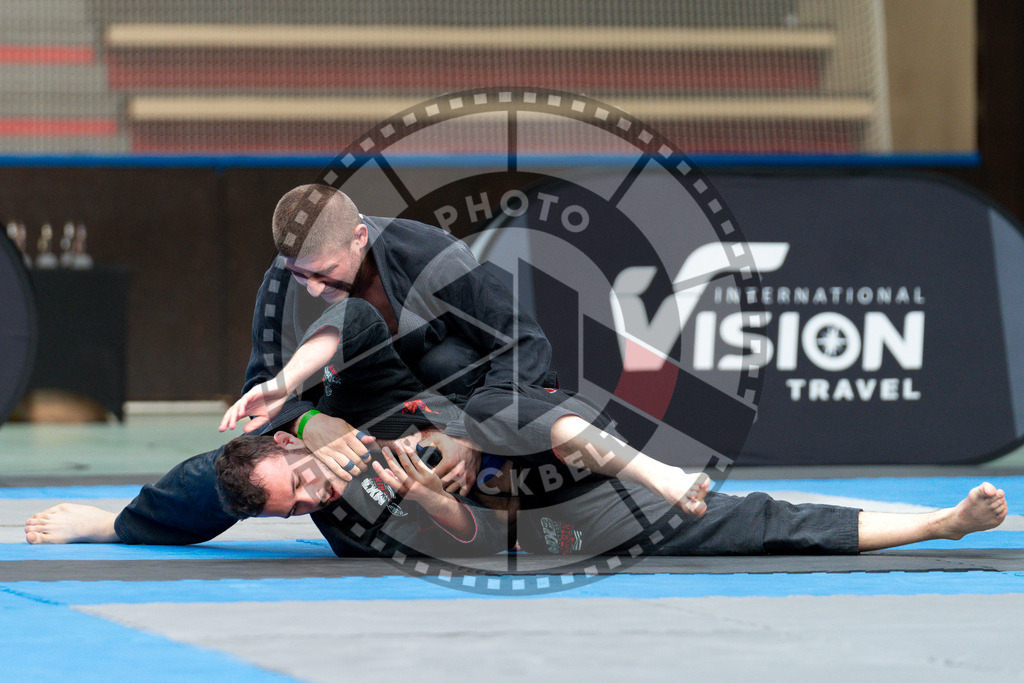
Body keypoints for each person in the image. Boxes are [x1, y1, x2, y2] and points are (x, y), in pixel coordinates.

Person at [24, 183, 708, 547]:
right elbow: (267, 397)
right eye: (300, 276)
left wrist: (472, 432)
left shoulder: (436, 257)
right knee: (233, 468)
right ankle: (119, 521)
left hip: (460, 398)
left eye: (324, 272)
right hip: (364, 414)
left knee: (508, 414)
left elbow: (524, 346)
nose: (311, 286)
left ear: (360, 238)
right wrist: (312, 418)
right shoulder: (286, 285)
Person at [26, 429, 1008, 562]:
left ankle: (939, 521)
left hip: (543, 502)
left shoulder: (392, 420)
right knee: (199, 493)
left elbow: (490, 524)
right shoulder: (296, 487)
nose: (308, 498)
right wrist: (101, 519)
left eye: (305, 479)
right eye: (294, 503)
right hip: (486, 532)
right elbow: (462, 540)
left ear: (303, 438)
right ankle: (103, 516)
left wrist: (444, 471)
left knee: (744, 520)